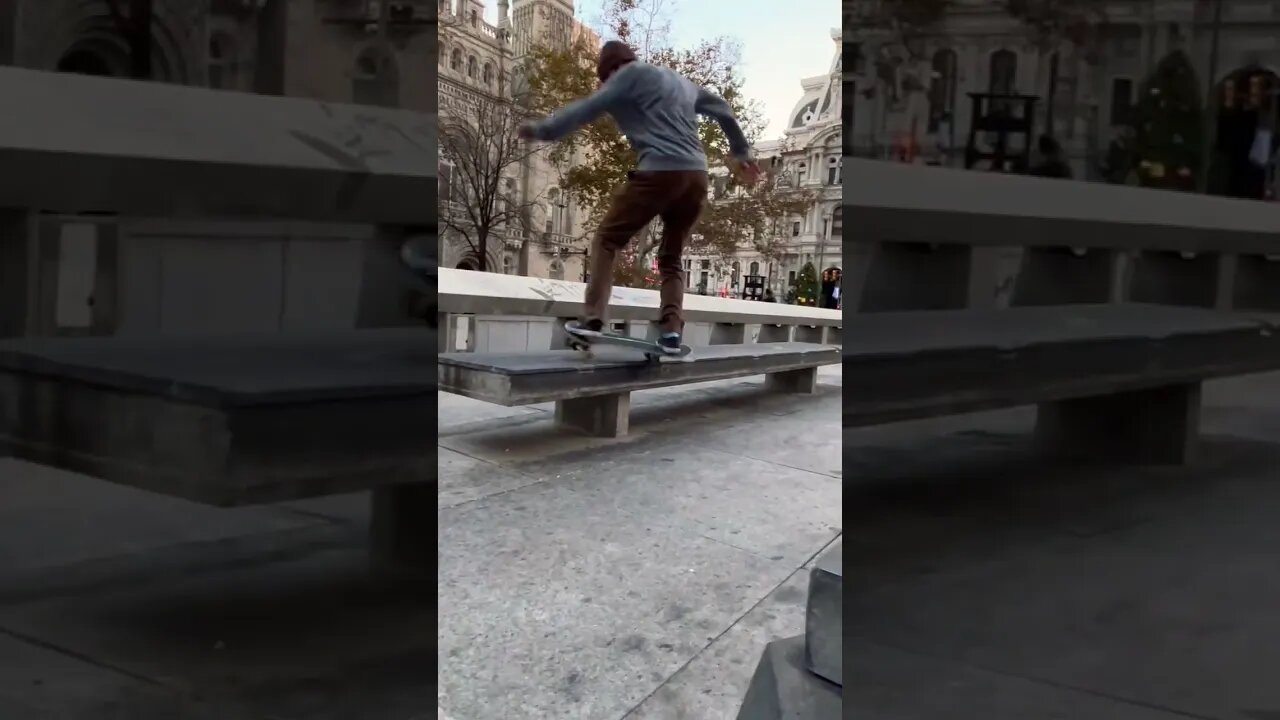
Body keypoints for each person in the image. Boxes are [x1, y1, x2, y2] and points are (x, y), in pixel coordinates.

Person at [518, 40, 761, 354]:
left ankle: (593, 319)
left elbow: (588, 108)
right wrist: (742, 152)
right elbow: (723, 110)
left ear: (611, 70)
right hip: (697, 177)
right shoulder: (679, 81)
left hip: (660, 172)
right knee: (671, 259)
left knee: (607, 239)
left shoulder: (626, 75)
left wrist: (544, 130)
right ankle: (672, 331)